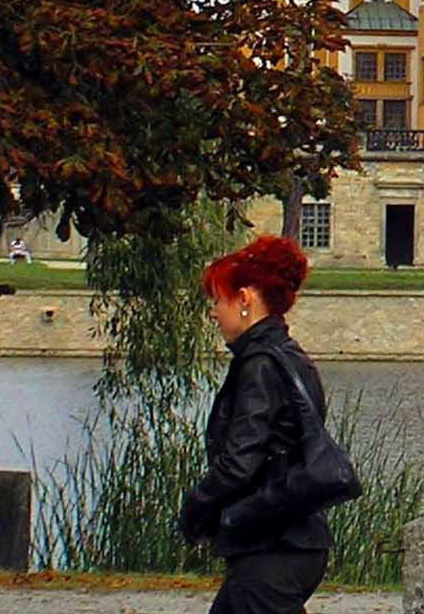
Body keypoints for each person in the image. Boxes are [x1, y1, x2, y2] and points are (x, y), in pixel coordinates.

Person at [182, 237, 340, 614]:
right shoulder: (290, 357)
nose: (213, 313)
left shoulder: (261, 365)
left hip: (273, 548)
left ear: (244, 299)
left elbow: (241, 460)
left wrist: (196, 508)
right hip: (286, 541)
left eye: (217, 301)